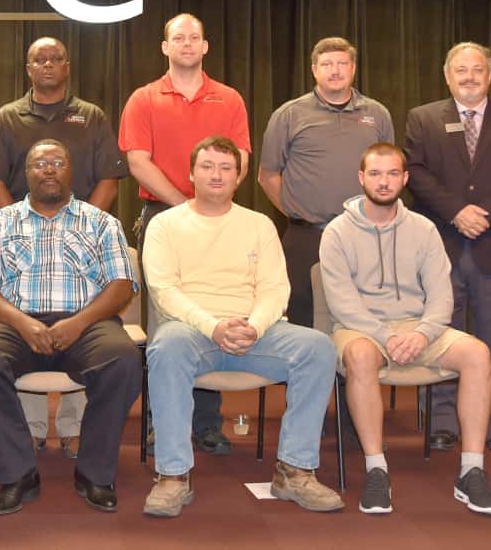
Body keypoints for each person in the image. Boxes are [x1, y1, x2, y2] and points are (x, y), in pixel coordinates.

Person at [142, 136, 343, 518]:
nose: (216, 175)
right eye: (207, 166)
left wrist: (254, 325)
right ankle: (173, 476)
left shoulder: (259, 224)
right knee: (165, 347)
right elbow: (163, 290)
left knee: (317, 347)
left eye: (226, 168)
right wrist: (214, 327)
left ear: (238, 178)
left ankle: (295, 471)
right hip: (193, 333)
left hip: (257, 333)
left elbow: (274, 287)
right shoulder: (165, 225)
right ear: (190, 173)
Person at [0, 139, 141, 515]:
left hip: (87, 322)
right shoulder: (0, 223)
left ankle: (94, 473)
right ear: (26, 175)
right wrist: (22, 323)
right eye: (40, 164)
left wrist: (79, 322)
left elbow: (122, 284)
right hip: (15, 321)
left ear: (71, 171)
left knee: (123, 361)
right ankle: (18, 473)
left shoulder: (101, 222)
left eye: (58, 162)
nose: (49, 170)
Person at [319, 142, 491, 515]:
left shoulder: (424, 230)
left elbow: (440, 295)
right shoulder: (336, 232)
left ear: (405, 178)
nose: (383, 182)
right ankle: (376, 470)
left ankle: (472, 471)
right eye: (374, 173)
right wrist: (387, 337)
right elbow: (343, 304)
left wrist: (421, 334)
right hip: (361, 328)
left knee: (478, 354)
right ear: (360, 178)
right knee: (359, 356)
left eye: (391, 174)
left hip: (418, 328)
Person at [0, 36, 128, 458]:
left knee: (95, 333)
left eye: (55, 58)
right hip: (23, 238)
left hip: (80, 243)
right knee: (7, 336)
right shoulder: (7, 118)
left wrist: (78, 224)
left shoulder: (91, 116)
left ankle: (77, 429)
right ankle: (29, 431)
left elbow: (108, 179)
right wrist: (22, 226)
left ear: (66, 65)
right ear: (27, 68)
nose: (47, 65)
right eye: (38, 60)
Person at [119, 13, 250, 456]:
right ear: (166, 47)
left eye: (195, 37)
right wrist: (185, 207)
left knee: (212, 309)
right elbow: (138, 162)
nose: (187, 44)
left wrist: (208, 206)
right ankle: (161, 422)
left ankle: (207, 423)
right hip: (163, 217)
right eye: (179, 37)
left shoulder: (229, 98)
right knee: (166, 323)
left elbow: (240, 159)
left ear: (205, 46)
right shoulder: (143, 98)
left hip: (218, 220)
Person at [405, 42, 491, 456]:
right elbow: (415, 173)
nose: (469, 77)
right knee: (442, 336)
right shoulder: (423, 118)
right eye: (460, 70)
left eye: (477, 69)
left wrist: (482, 214)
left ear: (490, 75)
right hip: (441, 246)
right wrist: (456, 212)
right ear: (447, 76)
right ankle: (443, 422)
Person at [258, 36, 394, 329]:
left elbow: (388, 173)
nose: (335, 70)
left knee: (362, 315)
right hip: (307, 236)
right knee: (303, 315)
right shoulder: (289, 114)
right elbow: (267, 175)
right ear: (314, 70)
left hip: (364, 234)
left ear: (353, 68)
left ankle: (353, 376)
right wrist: (298, 212)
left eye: (342, 63)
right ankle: (309, 376)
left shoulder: (377, 114)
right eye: (327, 64)